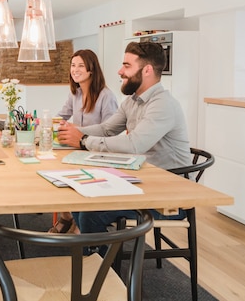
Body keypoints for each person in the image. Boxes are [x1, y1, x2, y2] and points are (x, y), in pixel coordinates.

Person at [57, 41, 192, 251]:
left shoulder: (162, 104)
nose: (120, 71)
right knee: (80, 197)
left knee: (91, 212)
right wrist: (74, 134)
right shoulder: (132, 101)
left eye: (126, 66)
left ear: (147, 70)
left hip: (167, 194)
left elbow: (134, 144)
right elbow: (107, 129)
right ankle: (92, 257)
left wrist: (82, 141)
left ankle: (97, 268)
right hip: (141, 180)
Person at [49, 49, 118, 234]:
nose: (75, 70)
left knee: (65, 172)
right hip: (78, 151)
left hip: (98, 154)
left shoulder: (106, 96)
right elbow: (60, 116)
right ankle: (68, 216)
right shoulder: (76, 94)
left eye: (81, 66)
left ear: (91, 70)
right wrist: (46, 123)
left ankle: (79, 223)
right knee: (53, 170)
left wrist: (77, 132)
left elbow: (111, 131)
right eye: (73, 65)